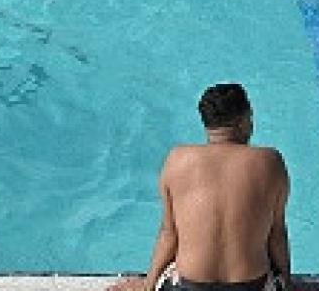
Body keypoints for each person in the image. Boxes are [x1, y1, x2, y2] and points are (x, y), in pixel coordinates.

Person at [110, 84, 298, 291]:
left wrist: (148, 284)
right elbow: (277, 234)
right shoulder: (270, 161)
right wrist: (287, 283)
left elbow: (169, 234)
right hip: (252, 286)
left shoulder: (177, 160)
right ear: (244, 119)